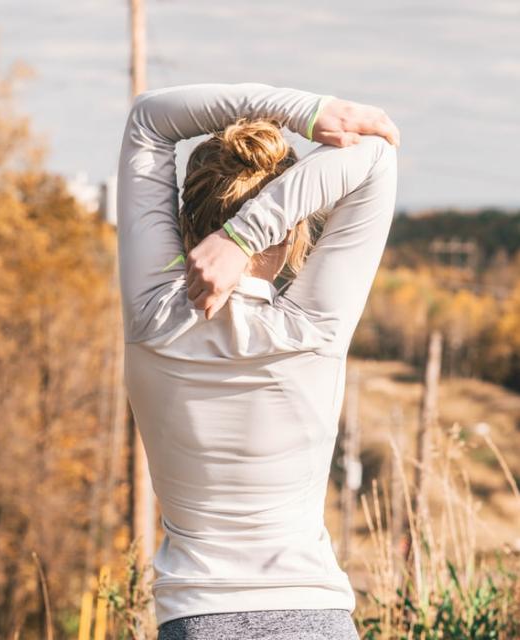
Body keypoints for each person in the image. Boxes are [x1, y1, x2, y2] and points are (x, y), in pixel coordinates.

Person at [115, 83, 399, 640]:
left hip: (197, 620)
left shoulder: (152, 320)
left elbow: (149, 119)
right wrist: (244, 237)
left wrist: (306, 113)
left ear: (185, 219)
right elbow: (376, 155)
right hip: (315, 618)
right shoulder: (311, 331)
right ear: (292, 232)